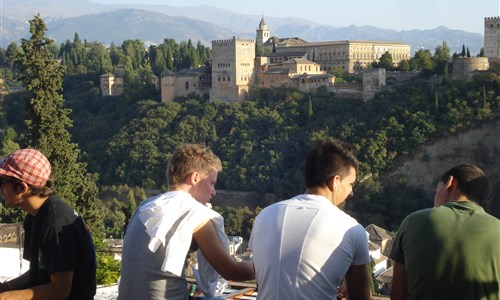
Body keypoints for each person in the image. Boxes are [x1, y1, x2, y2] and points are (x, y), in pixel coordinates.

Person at [118, 143, 254, 300]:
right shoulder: (195, 214)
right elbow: (231, 271)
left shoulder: (145, 207)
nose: (214, 192)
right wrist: (267, 267)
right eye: (212, 183)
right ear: (195, 177)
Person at [248, 137, 371, 300]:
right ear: (335, 181)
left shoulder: (264, 215)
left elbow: (265, 280)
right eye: (350, 184)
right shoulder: (352, 229)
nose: (351, 192)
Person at [390, 164, 500, 300]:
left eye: (436, 191)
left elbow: (397, 294)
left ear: (450, 183)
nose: (435, 197)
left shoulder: (412, 222)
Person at [0, 148, 96, 299]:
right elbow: (37, 273)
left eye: (2, 182)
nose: (1, 189)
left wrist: (5, 297)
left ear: (22, 188)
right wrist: (6, 287)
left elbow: (59, 291)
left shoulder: (54, 223)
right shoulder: (34, 217)